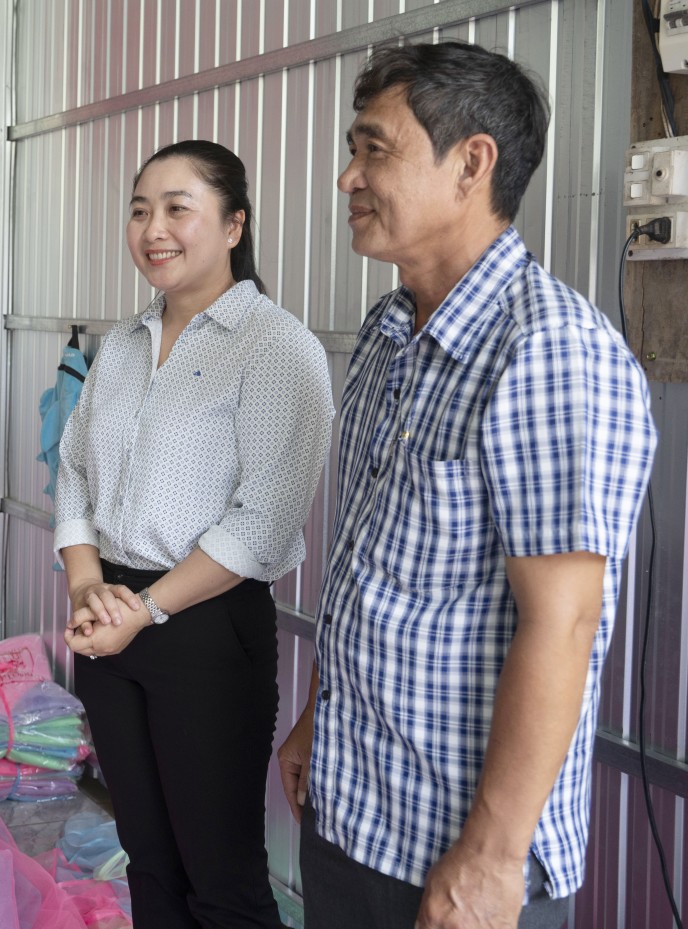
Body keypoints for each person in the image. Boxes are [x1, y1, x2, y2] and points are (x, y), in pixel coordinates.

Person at [275, 42, 657, 929]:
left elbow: (563, 623)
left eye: (375, 149)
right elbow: (371, 565)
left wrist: (491, 855)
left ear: (472, 163)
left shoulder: (548, 349)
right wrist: (318, 717)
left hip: (453, 853)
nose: (348, 177)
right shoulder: (388, 332)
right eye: (352, 149)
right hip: (352, 803)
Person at [56, 139, 334, 929]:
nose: (154, 229)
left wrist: (145, 610)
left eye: (178, 208)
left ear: (234, 224)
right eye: (140, 210)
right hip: (109, 618)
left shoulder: (277, 345)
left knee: (222, 879)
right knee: (148, 859)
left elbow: (263, 521)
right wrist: (88, 585)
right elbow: (73, 467)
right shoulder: (123, 344)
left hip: (207, 627)